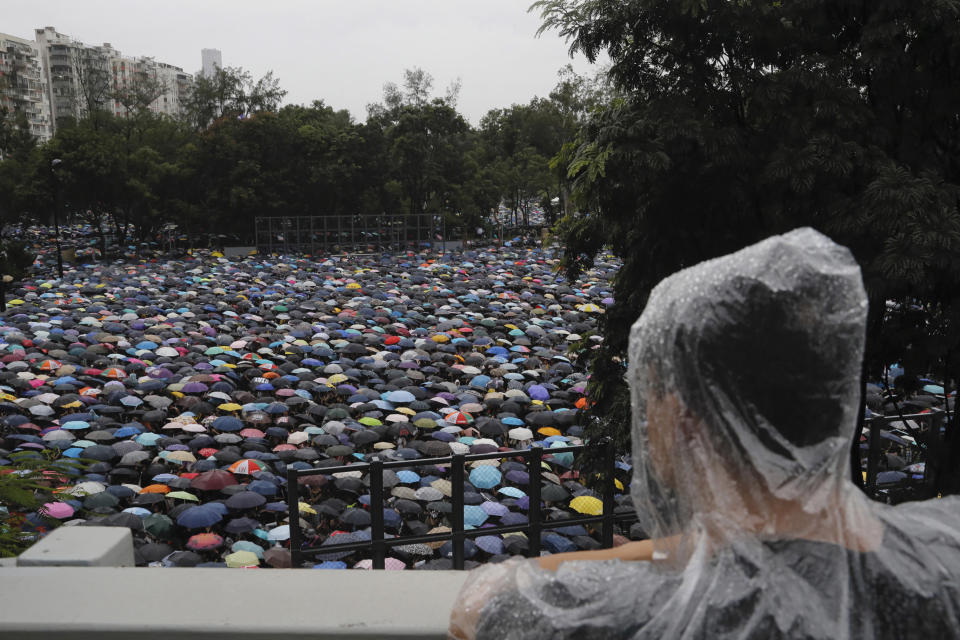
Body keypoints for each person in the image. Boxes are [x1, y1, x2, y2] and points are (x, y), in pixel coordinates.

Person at [449, 228, 960, 639]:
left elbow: (483, 608)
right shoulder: (939, 552)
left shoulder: (620, 617)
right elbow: (759, 547)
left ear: (684, 415)